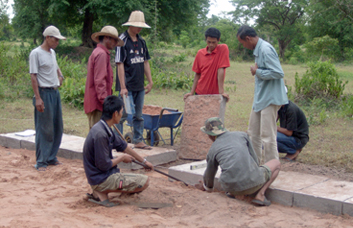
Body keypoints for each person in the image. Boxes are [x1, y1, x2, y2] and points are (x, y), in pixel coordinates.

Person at [83, 95, 154, 207]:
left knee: (138, 179)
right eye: (121, 112)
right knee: (144, 181)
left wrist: (144, 162)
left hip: (102, 175)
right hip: (101, 179)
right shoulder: (100, 135)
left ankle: (100, 191)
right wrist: (121, 158)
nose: (122, 115)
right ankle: (100, 191)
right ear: (115, 114)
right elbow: (103, 165)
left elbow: (124, 147)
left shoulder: (105, 128)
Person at [195, 117, 281, 206]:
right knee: (276, 163)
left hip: (230, 188)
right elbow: (254, 159)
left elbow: (209, 174)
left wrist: (207, 188)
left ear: (210, 135)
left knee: (227, 172)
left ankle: (232, 193)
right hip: (254, 183)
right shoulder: (242, 135)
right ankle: (260, 195)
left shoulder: (212, 150)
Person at [236, 25, 288, 164]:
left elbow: (278, 73)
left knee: (268, 136)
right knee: (253, 133)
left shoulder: (265, 49)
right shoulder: (258, 50)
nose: (244, 46)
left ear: (248, 38)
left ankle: (271, 169)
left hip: (270, 99)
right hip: (261, 98)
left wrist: (257, 72)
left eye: (243, 43)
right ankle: (254, 165)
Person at [29, 25, 66, 171]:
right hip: (44, 92)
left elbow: (55, 66)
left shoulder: (52, 53)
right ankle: (41, 161)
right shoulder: (36, 53)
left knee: (57, 126)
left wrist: (60, 75)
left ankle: (51, 157)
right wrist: (38, 98)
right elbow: (33, 76)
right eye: (55, 39)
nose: (57, 42)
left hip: (55, 92)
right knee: (44, 128)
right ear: (47, 38)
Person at [115, 10, 153, 150]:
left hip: (139, 85)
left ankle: (138, 140)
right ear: (130, 25)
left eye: (141, 26)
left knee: (139, 115)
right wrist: (123, 86)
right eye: (137, 25)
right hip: (127, 86)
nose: (139, 28)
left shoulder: (142, 41)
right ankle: (118, 142)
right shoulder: (122, 41)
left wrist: (150, 81)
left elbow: (145, 62)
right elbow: (119, 64)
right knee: (122, 114)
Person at [84, 26, 124, 129]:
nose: (115, 43)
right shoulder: (101, 54)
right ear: (107, 38)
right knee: (99, 136)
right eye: (114, 40)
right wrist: (106, 103)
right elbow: (100, 81)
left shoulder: (99, 52)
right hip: (98, 105)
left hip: (98, 103)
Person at [184, 27, 230, 101]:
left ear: (219, 40)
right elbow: (197, 74)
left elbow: (221, 69)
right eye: (209, 42)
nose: (211, 44)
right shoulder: (200, 53)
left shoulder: (223, 49)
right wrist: (192, 92)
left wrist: (221, 92)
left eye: (214, 42)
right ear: (205, 39)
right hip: (200, 92)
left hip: (215, 94)